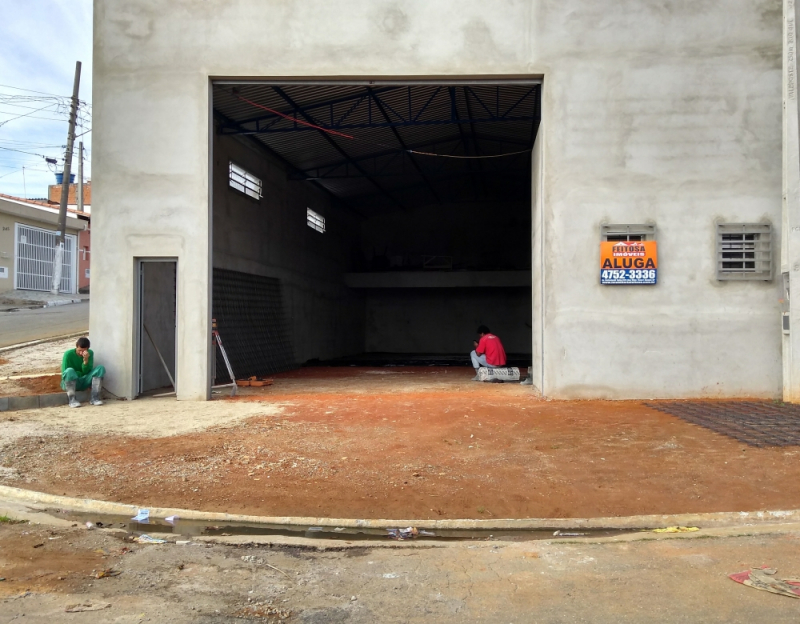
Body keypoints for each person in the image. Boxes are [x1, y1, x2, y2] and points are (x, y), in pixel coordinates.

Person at [61, 337, 105, 408]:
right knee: (70, 370)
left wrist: (85, 361)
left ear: (87, 349)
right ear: (76, 346)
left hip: (83, 380)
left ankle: (94, 398)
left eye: (84, 351)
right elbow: (65, 373)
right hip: (70, 381)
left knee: (100, 368)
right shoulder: (68, 354)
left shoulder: (90, 353)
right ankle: (72, 400)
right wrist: (77, 374)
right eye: (79, 350)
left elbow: (87, 372)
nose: (81, 353)